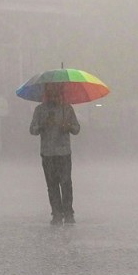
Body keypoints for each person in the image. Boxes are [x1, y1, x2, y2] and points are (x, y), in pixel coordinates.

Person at [29, 84, 81, 225]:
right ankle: (56, 213)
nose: (53, 98)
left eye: (56, 95)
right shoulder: (39, 110)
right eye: (51, 95)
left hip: (63, 152)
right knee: (52, 185)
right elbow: (32, 129)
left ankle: (68, 212)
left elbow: (77, 129)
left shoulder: (67, 109)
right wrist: (43, 125)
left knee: (66, 183)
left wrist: (68, 126)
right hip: (47, 153)